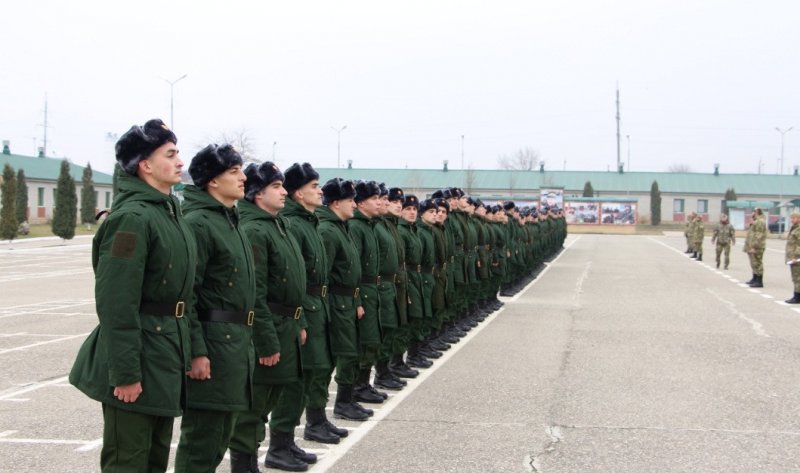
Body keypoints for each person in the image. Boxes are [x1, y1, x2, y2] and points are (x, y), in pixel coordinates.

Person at [69, 119, 197, 472]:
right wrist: (125, 372)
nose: (180, 161)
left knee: (155, 458)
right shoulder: (132, 219)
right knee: (129, 460)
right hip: (138, 354)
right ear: (145, 164)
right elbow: (116, 302)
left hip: (164, 353)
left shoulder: (169, 214)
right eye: (170, 154)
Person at [173, 145, 255, 473]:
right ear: (212, 181)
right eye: (233, 171)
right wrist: (196, 350)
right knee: (202, 439)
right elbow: (188, 293)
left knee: (221, 434)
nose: (243, 177)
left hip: (233, 342)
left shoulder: (229, 220)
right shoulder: (199, 223)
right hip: (212, 343)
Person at [229, 162, 309, 472]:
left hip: (285, 325)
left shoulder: (277, 225)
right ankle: (244, 465)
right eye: (276, 187)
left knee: (270, 399)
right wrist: (265, 340)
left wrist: (299, 322)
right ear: (257, 194)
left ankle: (267, 453)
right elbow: (255, 292)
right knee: (254, 404)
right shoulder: (254, 230)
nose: (284, 192)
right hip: (269, 326)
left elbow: (294, 284)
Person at [276, 163, 349, 446]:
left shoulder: (310, 222)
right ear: (298, 194)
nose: (320, 191)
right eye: (314, 187)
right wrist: (301, 317)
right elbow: (293, 276)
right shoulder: (293, 224)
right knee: (299, 378)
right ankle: (282, 442)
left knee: (318, 368)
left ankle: (316, 420)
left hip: (319, 304)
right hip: (305, 305)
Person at [317, 178, 373, 421]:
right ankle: (331, 409)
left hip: (348, 301)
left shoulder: (342, 226)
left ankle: (346, 400)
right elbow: (324, 274)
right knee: (338, 357)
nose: (354, 204)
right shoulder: (328, 230)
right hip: (336, 302)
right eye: (350, 200)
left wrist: (357, 300)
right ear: (336, 203)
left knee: (351, 352)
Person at [744, 208, 767, 287]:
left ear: (757, 212)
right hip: (752, 246)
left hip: (757, 247)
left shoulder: (760, 221)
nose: (752, 213)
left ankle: (759, 281)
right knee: (754, 263)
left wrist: (754, 247)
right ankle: (755, 278)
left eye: (753, 212)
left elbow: (758, 235)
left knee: (758, 263)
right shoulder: (755, 221)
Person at [784, 212, 800, 304]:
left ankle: (797, 297)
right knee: (795, 277)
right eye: (791, 218)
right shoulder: (795, 228)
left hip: (796, 258)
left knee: (797, 278)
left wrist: (795, 256)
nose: (791, 220)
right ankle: (796, 296)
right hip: (793, 258)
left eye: (793, 218)